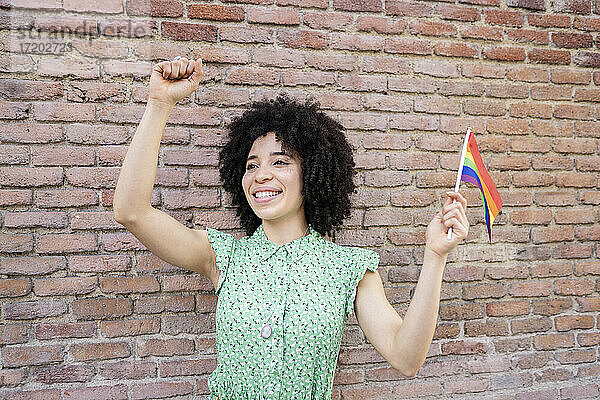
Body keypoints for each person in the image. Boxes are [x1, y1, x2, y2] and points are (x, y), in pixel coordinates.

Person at [113, 57, 470, 399]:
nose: (261, 175)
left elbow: (405, 358)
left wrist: (435, 255)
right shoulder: (222, 256)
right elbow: (132, 212)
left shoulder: (348, 270)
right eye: (251, 166)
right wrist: (159, 103)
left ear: (313, 176)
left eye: (280, 162)